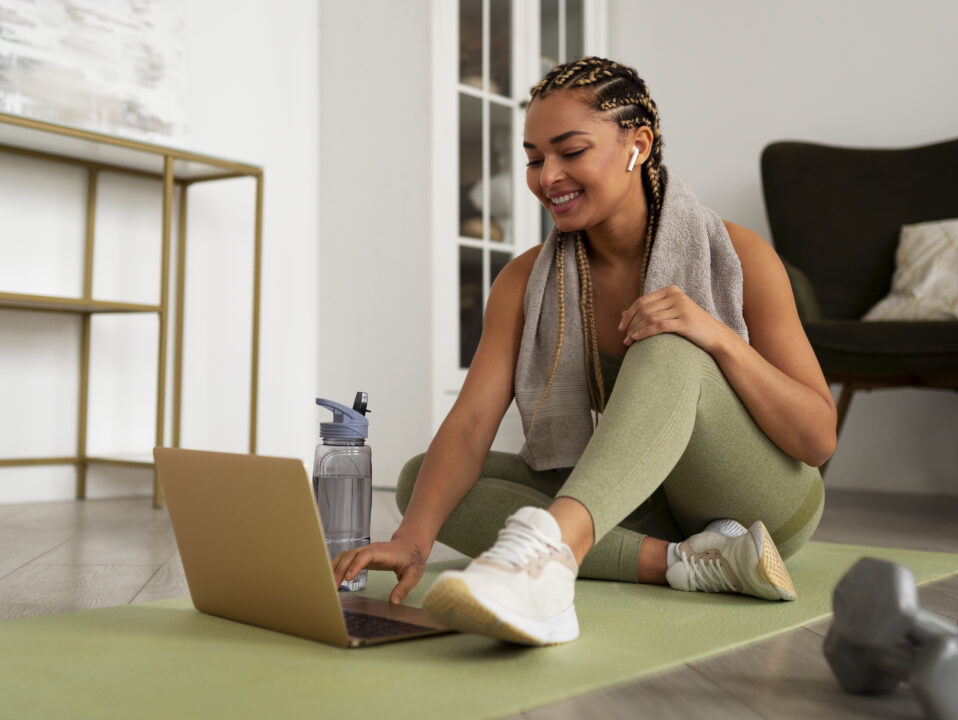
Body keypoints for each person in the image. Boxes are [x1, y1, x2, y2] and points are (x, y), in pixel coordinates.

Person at [332, 57, 836, 646]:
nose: (548, 176)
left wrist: (713, 335)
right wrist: (414, 541)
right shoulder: (525, 282)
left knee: (667, 344)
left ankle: (549, 562)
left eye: (570, 152)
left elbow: (817, 438)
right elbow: (471, 424)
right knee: (425, 482)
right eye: (534, 158)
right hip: (651, 504)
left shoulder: (741, 254)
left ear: (637, 145)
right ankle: (685, 561)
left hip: (761, 502)